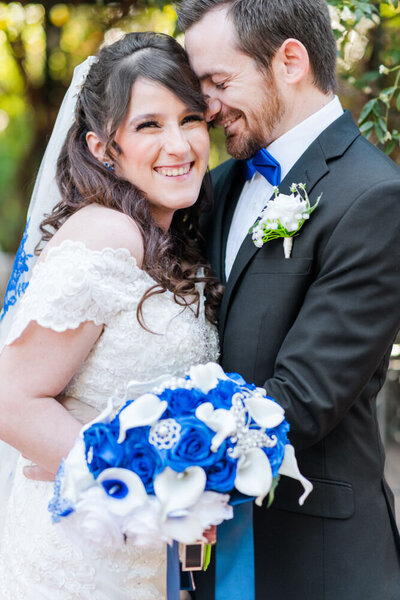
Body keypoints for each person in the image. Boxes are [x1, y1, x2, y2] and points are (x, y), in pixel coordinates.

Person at [176, 1, 400, 598]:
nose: (207, 107)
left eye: (219, 83)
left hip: (313, 559)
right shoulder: (217, 185)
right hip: (205, 549)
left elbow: (303, 398)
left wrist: (148, 455)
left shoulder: (375, 197)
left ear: (291, 62)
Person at [0, 32, 221, 599]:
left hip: (138, 560)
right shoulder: (108, 234)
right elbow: (10, 397)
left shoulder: (169, 242)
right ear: (103, 148)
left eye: (190, 118)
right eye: (149, 125)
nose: (179, 144)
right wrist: (146, 491)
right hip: (74, 563)